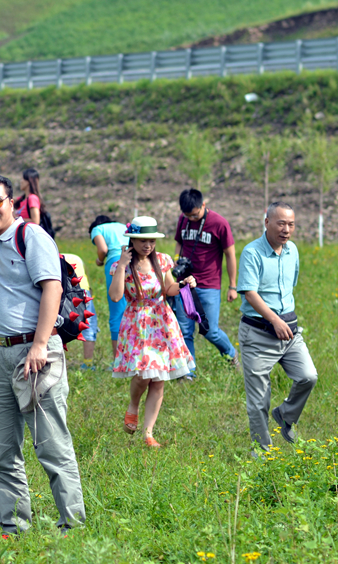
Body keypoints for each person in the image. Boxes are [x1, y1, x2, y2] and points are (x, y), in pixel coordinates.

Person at [0, 173, 85, 534]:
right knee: (2, 451)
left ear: (11, 203)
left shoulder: (30, 236)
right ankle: (14, 528)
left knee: (52, 445)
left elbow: (52, 287)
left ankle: (72, 526)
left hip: (34, 353)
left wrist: (39, 344)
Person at [236, 202, 317, 452]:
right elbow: (250, 293)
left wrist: (283, 321)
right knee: (259, 400)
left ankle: (285, 415)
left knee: (308, 376)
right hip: (258, 334)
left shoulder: (293, 251)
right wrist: (274, 319)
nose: (286, 229)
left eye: (291, 224)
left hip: (289, 332)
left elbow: (290, 286)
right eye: (281, 223)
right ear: (267, 222)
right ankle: (263, 453)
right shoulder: (252, 252)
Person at [109, 216, 196, 447]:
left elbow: (169, 288)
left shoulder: (162, 260)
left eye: (152, 241)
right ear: (132, 240)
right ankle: (133, 405)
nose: (148, 245)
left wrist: (184, 284)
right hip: (137, 324)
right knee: (143, 373)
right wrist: (122, 265)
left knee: (158, 380)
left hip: (161, 321)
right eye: (143, 241)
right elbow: (115, 296)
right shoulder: (122, 265)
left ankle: (148, 433)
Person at [173, 189, 239, 372]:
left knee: (209, 331)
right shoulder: (183, 219)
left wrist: (232, 286)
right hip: (185, 284)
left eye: (195, 215)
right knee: (185, 331)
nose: (191, 219)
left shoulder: (219, 223)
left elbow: (230, 254)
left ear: (203, 205)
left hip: (208, 285)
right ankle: (188, 372)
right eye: (188, 216)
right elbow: (179, 242)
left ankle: (231, 354)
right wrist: (176, 258)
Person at [89, 215, 128, 355]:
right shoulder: (123, 226)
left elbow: (103, 250)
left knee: (116, 310)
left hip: (116, 263)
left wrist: (99, 260)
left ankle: (118, 359)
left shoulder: (97, 229)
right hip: (133, 261)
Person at [61, 253, 98, 367]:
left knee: (59, 325)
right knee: (89, 325)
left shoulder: (54, 256)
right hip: (83, 290)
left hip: (64, 291)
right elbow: (85, 276)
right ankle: (88, 362)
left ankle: (60, 360)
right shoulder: (76, 257)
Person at [14, 168, 54, 238]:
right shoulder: (22, 199)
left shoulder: (32, 198)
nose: (21, 181)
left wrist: (15, 219)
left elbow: (35, 221)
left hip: (29, 237)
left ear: (28, 181)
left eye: (22, 179)